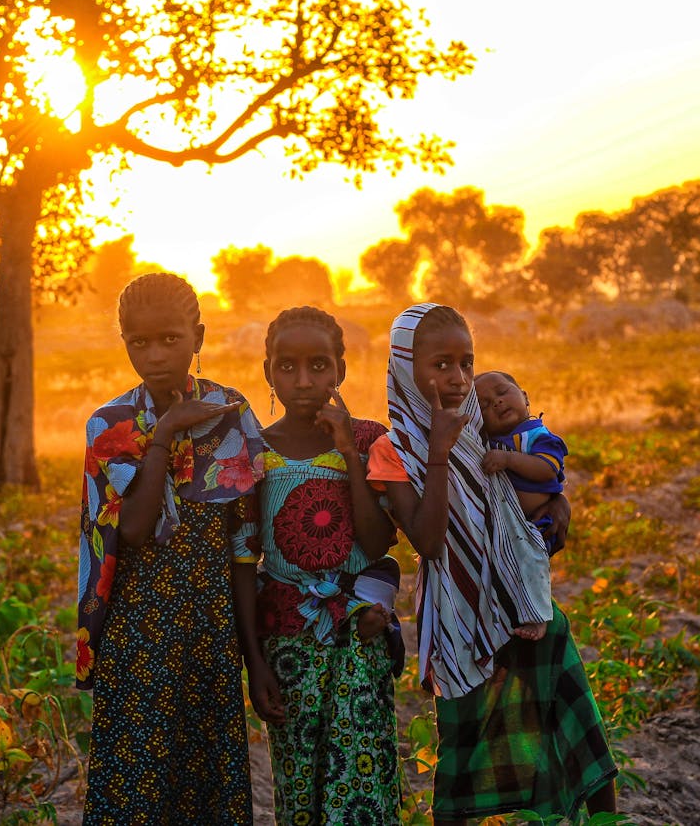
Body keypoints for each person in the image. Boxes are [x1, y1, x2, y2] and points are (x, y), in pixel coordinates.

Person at [366, 303, 617, 825]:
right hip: (460, 621)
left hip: (524, 607)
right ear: (404, 366)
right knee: (462, 753)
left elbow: (532, 482)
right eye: (440, 365)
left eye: (466, 363)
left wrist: (557, 503)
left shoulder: (484, 424)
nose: (457, 379)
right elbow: (429, 542)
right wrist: (439, 450)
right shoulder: (394, 451)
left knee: (573, 728)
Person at [76, 272, 265, 825]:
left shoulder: (232, 417)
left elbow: (244, 549)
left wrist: (253, 657)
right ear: (125, 343)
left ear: (198, 337)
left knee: (210, 791)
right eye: (139, 342)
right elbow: (132, 530)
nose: (155, 354)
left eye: (170, 339)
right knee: (135, 791)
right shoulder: (109, 425)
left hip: (210, 633)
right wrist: (163, 434)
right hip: (136, 636)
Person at [240, 305, 404, 824]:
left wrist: (348, 455)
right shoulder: (255, 450)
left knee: (365, 784)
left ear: (340, 370)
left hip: (360, 635)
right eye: (287, 367)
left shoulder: (368, 439)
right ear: (268, 372)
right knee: (299, 788)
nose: (303, 380)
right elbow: (244, 559)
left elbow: (378, 544)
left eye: (318, 365)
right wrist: (255, 662)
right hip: (286, 643)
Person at [475, 370, 569, 555]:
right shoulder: (488, 442)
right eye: (484, 405)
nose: (497, 402)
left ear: (525, 397)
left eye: (502, 392)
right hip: (502, 531)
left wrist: (508, 459)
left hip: (538, 523)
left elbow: (548, 469)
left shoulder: (538, 436)